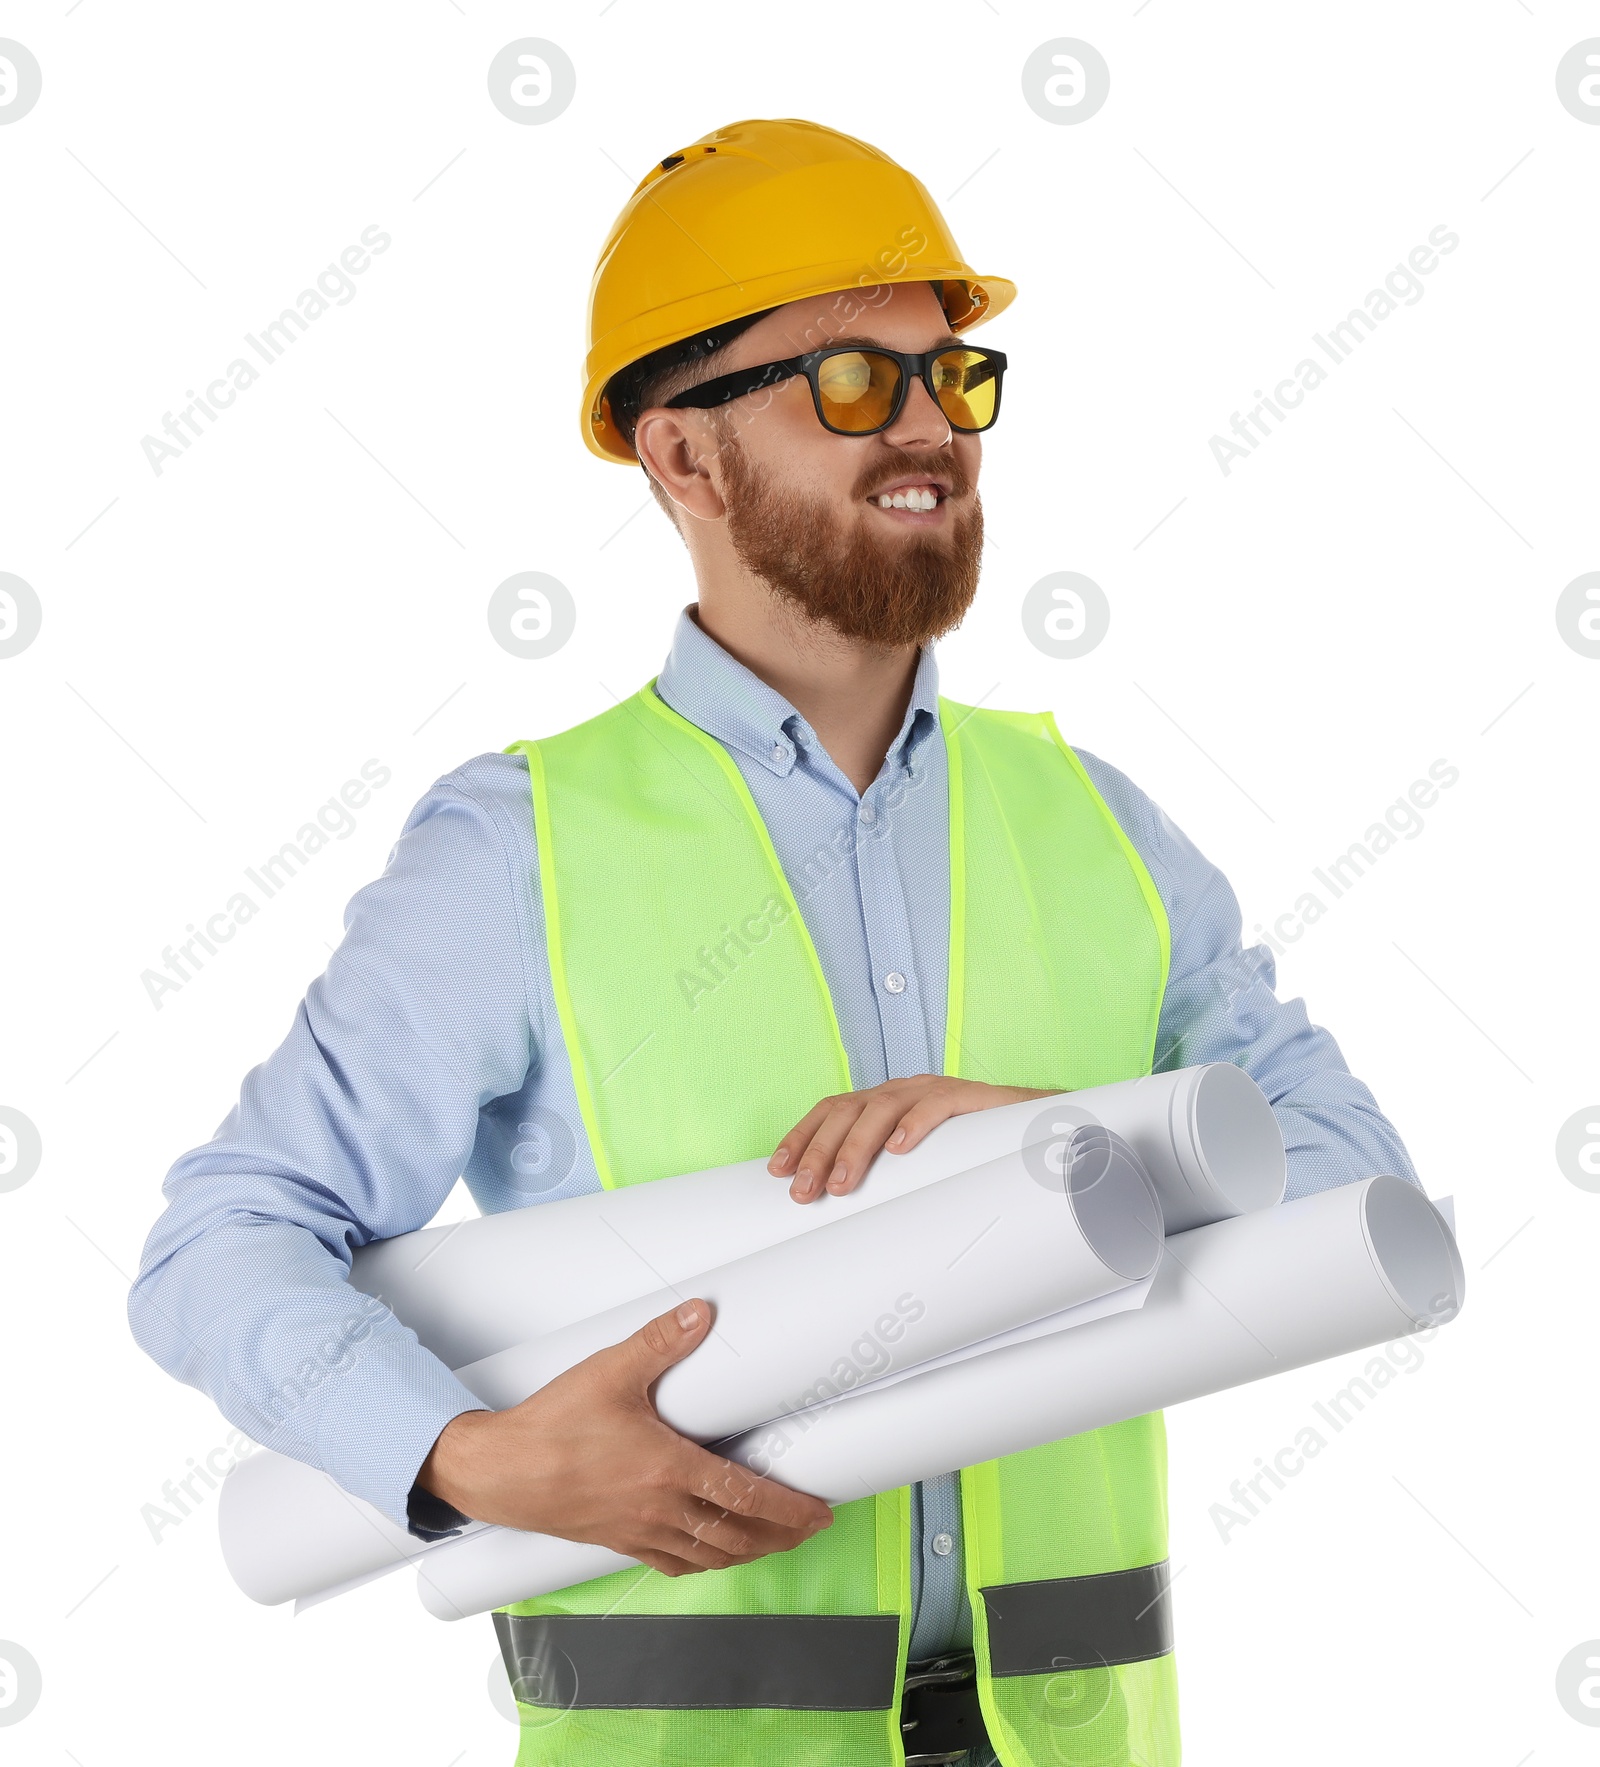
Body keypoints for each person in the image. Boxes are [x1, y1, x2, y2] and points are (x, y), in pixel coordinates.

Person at [129, 118, 1421, 1767]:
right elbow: (226, 1234)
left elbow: (1350, 1171)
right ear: (682, 460)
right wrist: (464, 1455)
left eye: (951, 376)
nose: (933, 428)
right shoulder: (520, 850)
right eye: (851, 381)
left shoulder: (1097, 822)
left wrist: (1053, 1144)